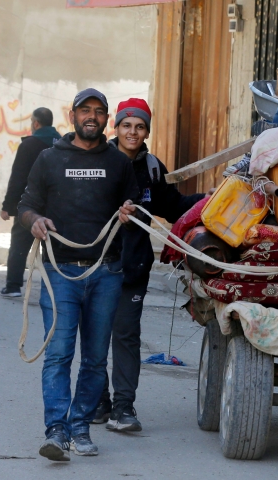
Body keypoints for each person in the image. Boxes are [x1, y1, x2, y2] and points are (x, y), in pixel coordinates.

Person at [18, 88, 139, 461]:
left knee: (93, 358)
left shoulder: (119, 163)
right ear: (72, 116)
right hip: (60, 273)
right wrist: (35, 221)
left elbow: (132, 207)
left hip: (106, 272)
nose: (92, 116)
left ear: (107, 120)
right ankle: (56, 431)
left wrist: (128, 213)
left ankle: (80, 427)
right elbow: (26, 205)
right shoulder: (48, 159)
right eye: (85, 110)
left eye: (99, 111)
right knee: (58, 354)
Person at [91, 98, 206, 432]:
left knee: (126, 337)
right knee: (96, 337)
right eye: (127, 125)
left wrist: (208, 198)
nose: (133, 132)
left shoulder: (153, 167)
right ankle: (99, 402)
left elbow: (174, 206)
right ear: (116, 127)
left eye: (140, 126)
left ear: (146, 131)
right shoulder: (99, 160)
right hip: (98, 266)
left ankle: (123, 409)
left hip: (133, 269)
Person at [0, 107, 61, 298]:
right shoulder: (63, 143)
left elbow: (17, 178)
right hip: (56, 207)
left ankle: (13, 286)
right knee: (53, 249)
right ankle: (56, 289)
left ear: (35, 123)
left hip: (30, 206)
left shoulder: (29, 145)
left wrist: (8, 207)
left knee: (19, 244)